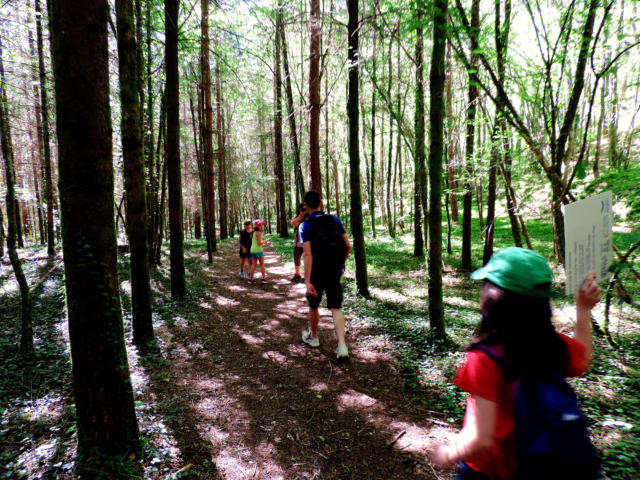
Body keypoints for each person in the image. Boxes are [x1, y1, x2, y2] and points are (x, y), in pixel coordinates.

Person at [429, 247, 602, 479]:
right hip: (538, 468)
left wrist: (448, 454)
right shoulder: (551, 344)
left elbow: (481, 439)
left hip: (490, 472)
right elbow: (583, 360)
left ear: (493, 298)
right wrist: (583, 309)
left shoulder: (484, 358)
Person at [299, 190, 352, 359]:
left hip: (316, 272)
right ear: (321, 203)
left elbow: (307, 254)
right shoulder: (334, 220)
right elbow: (348, 246)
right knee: (336, 306)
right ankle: (342, 346)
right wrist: (341, 262)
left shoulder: (305, 225)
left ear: (306, 207)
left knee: (314, 305)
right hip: (334, 271)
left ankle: (314, 338)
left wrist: (307, 280)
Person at [290, 203, 308, 282]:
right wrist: (301, 215)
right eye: (302, 208)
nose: (303, 210)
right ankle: (297, 274)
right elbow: (292, 223)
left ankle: (307, 275)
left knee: (307, 257)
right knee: (296, 257)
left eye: (305, 208)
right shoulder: (298, 217)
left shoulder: (310, 217)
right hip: (298, 240)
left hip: (307, 241)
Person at [248, 219, 268, 284]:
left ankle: (251, 279)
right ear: (256, 226)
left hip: (252, 250)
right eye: (259, 225)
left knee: (254, 264)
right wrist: (264, 242)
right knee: (262, 264)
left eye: (261, 225)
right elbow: (259, 243)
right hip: (258, 250)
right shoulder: (259, 232)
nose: (261, 226)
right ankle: (264, 278)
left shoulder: (253, 232)